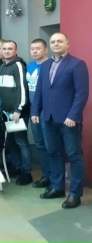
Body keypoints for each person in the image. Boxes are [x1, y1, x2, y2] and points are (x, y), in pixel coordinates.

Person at [31, 33, 89, 209]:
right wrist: (35, 111)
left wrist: (73, 115)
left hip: (68, 120)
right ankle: (57, 187)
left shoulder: (77, 64)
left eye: (59, 41)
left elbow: (81, 93)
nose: (56, 44)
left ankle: (75, 194)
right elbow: (40, 90)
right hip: (48, 118)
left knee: (74, 155)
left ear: (67, 44)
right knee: (53, 153)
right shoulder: (46, 65)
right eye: (53, 41)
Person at [0, 40, 32, 186]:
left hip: (17, 112)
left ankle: (27, 172)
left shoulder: (18, 65)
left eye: (10, 49)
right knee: (11, 142)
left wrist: (18, 109)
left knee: (21, 142)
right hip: (5, 112)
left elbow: (22, 89)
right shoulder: (2, 66)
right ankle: (16, 168)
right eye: (4, 49)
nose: (7, 51)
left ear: (16, 51)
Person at [26, 38, 51, 189]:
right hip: (34, 111)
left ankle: (54, 178)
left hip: (47, 112)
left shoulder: (50, 65)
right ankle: (46, 176)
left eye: (38, 48)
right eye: (32, 49)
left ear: (46, 50)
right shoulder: (30, 66)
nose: (35, 51)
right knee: (40, 145)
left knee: (50, 145)